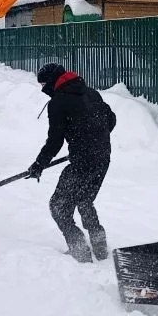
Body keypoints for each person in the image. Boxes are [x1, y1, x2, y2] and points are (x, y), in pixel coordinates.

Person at [28, 62, 117, 263]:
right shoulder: (92, 93)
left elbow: (55, 140)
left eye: (44, 84)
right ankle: (100, 245)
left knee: (58, 206)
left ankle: (80, 250)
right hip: (103, 157)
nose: (43, 89)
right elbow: (111, 120)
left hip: (83, 162)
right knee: (84, 200)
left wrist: (39, 164)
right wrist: (93, 140)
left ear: (52, 81)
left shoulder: (58, 102)